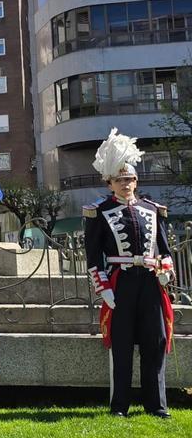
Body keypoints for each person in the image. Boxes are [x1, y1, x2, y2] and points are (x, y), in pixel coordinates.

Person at [85, 128, 175, 419]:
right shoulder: (99, 212)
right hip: (119, 283)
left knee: (156, 342)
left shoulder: (152, 209)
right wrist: (103, 288)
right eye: (121, 180)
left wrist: (165, 271)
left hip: (150, 282)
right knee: (121, 344)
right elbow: (92, 256)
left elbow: (165, 250)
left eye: (131, 179)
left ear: (137, 181)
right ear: (110, 182)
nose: (127, 184)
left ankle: (157, 405)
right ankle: (119, 406)